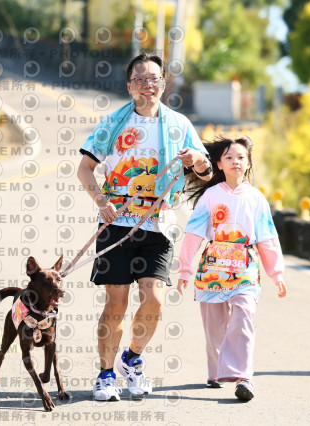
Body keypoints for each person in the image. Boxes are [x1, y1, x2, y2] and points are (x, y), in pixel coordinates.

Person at [77, 52, 213, 401]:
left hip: (158, 224)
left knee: (154, 301)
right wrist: (101, 202)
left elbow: (206, 172)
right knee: (116, 303)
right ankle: (106, 375)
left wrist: (197, 159)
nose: (147, 85)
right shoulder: (113, 122)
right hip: (117, 224)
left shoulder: (180, 124)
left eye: (154, 79)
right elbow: (85, 168)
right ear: (129, 86)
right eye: (140, 79)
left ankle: (132, 359)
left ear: (163, 84)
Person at [177, 136, 287, 401]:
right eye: (228, 157)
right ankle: (216, 371)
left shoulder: (256, 198)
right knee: (214, 327)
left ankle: (243, 377)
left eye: (240, 157)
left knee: (243, 316)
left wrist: (276, 274)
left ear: (248, 163)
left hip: (245, 269)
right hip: (212, 268)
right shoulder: (211, 196)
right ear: (219, 164)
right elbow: (194, 233)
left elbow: (267, 237)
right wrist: (185, 270)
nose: (235, 161)